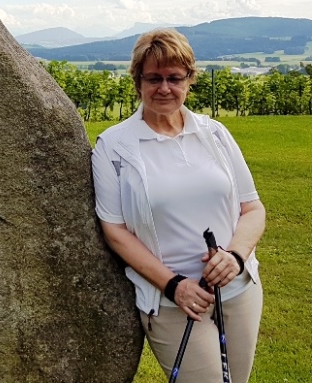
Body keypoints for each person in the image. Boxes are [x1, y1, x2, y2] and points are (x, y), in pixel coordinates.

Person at [92, 29, 265, 383]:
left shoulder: (215, 134)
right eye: (153, 78)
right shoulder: (114, 147)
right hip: (173, 303)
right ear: (137, 81)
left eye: (175, 78)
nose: (164, 88)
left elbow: (253, 208)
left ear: (190, 79)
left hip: (238, 289)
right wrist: (174, 285)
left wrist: (234, 257)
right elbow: (115, 231)